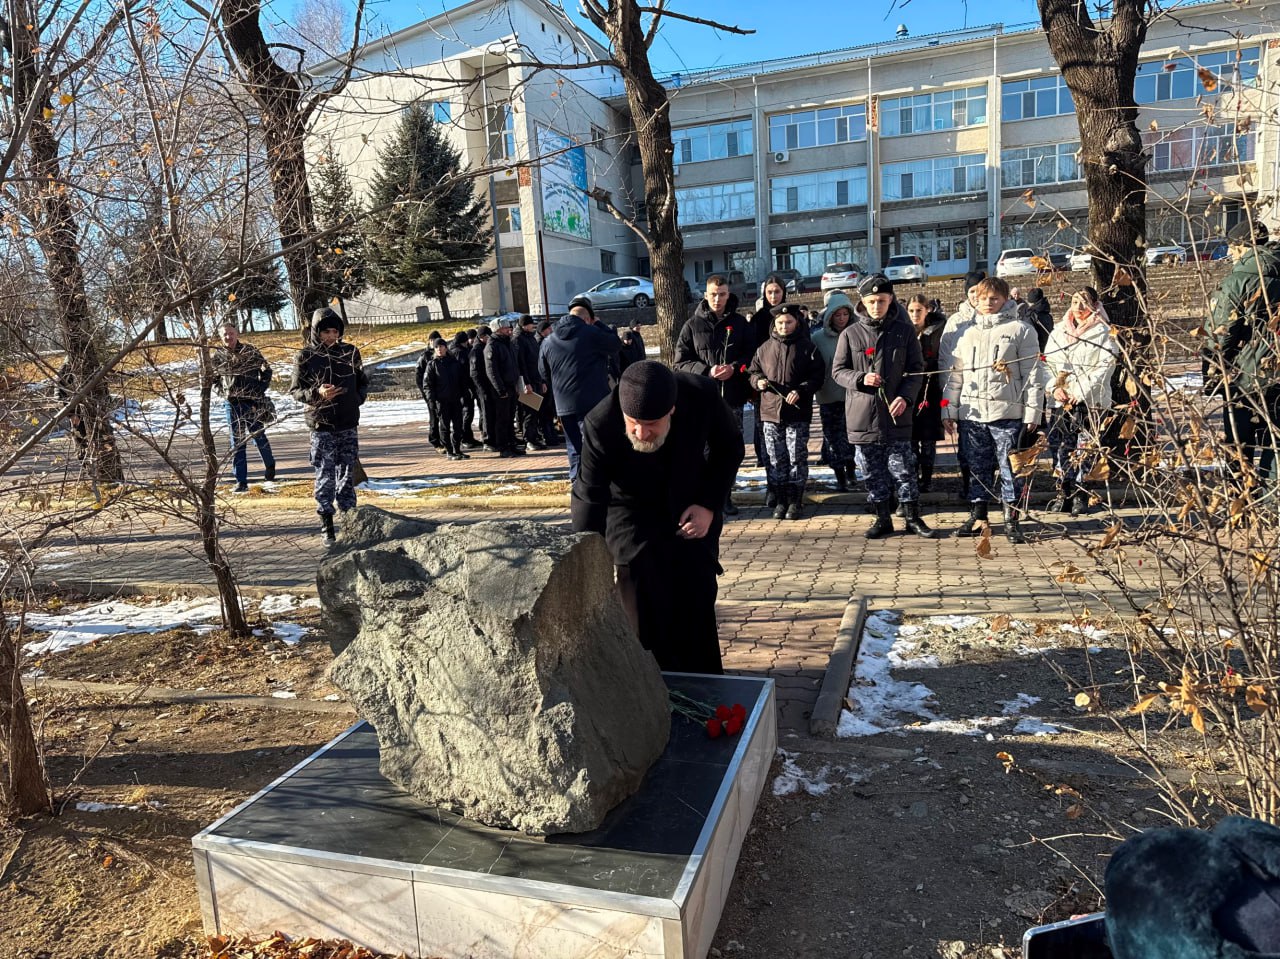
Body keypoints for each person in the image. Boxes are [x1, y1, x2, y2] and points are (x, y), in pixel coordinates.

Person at [571, 361, 745, 674]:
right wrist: (584, 563)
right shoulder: (601, 421)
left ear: (672, 410)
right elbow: (589, 495)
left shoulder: (702, 395)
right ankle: (649, 685)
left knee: (695, 597)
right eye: (633, 423)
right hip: (629, 512)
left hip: (691, 505)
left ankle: (704, 682)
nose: (641, 433)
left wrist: (708, 504)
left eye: (651, 423)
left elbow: (729, 448)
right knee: (641, 599)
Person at [940, 276, 1045, 544]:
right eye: (983, 298)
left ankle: (1013, 520)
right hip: (973, 413)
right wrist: (949, 410)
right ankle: (978, 516)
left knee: (1010, 468)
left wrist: (1033, 413)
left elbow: (1033, 375)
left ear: (1006, 299)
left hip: (1007, 414)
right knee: (977, 467)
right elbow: (955, 375)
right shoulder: (965, 331)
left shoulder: (1021, 330)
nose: (988, 303)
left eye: (995, 298)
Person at [832, 275, 935, 539]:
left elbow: (916, 369)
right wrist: (859, 378)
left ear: (890, 301)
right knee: (872, 472)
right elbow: (838, 372)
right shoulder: (850, 334)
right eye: (871, 301)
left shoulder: (904, 331)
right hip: (863, 415)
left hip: (896, 414)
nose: (876, 305)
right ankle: (882, 518)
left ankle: (912, 517)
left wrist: (906, 397)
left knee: (903, 468)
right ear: (863, 302)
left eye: (882, 300)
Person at [1203, 220, 1280, 486]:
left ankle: (1242, 506)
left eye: (1232, 247)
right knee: (1275, 442)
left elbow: (1221, 331)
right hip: (1276, 368)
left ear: (1243, 246)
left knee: (1239, 442)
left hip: (1245, 374)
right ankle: (1274, 507)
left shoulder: (1239, 279)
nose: (1230, 253)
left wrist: (1211, 371)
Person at [674, 274, 754, 515]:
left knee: (729, 449)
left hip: (732, 397)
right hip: (702, 399)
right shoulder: (692, 325)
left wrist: (735, 368)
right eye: (713, 295)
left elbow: (752, 356)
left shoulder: (740, 323)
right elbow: (680, 362)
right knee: (704, 449)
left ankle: (724, 495)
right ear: (705, 295)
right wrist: (707, 370)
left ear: (728, 295)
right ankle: (705, 497)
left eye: (722, 295)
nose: (717, 299)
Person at [289, 308, 369, 545]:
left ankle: (350, 521)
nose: (331, 336)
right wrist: (317, 393)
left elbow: (362, 382)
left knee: (346, 475)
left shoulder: (350, 352)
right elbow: (295, 390)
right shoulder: (305, 356)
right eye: (326, 332)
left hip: (347, 422)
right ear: (317, 332)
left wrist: (357, 398)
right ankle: (327, 525)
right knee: (325, 475)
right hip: (321, 424)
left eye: (335, 331)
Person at [1043, 287, 1117, 516]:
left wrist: (1081, 391)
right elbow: (1046, 364)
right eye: (1075, 301)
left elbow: (1106, 365)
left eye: (1085, 302)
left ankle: (1080, 493)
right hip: (1062, 401)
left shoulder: (1104, 331)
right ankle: (1063, 492)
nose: (1079, 307)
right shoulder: (1058, 331)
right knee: (1061, 448)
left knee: (1085, 449)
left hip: (1090, 401)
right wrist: (1054, 388)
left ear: (1095, 305)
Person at [748, 303, 825, 519]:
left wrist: (802, 390)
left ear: (796, 323)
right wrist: (758, 381)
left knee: (796, 457)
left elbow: (818, 376)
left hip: (797, 413)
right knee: (775, 458)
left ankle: (795, 500)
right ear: (775, 324)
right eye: (780, 323)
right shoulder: (764, 348)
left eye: (789, 322)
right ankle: (780, 499)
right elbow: (753, 372)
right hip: (770, 413)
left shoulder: (808, 348)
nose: (784, 326)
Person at [539, 298, 622, 480]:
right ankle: (598, 482)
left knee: (574, 447)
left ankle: (577, 484)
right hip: (592, 400)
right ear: (587, 319)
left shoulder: (548, 340)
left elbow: (543, 372)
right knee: (596, 443)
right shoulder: (591, 333)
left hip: (563, 403)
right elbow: (615, 344)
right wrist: (599, 323)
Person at [212, 322, 277, 492]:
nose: (228, 337)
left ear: (237, 333)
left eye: (231, 333)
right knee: (237, 442)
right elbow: (213, 380)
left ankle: (270, 465)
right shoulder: (218, 356)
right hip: (232, 403)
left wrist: (259, 390)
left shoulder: (250, 351)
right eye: (225, 334)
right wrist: (223, 392)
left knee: (258, 436)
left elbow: (266, 372)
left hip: (252, 402)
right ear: (221, 336)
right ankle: (241, 481)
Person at [940, 271, 986, 501]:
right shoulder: (956, 322)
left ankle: (987, 490)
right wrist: (947, 404)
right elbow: (946, 363)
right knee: (967, 447)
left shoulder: (1005, 316)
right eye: (972, 291)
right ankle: (969, 487)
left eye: (981, 290)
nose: (977, 296)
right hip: (966, 394)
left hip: (994, 396)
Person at [811, 291, 857, 493]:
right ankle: (840, 477)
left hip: (854, 396)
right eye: (837, 315)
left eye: (845, 315)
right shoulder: (818, 338)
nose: (841, 319)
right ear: (829, 316)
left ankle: (852, 472)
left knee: (853, 436)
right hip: (829, 396)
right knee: (833, 438)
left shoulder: (857, 333)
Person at [747, 273, 789, 470]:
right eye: (769, 292)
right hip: (764, 383)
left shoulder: (792, 316)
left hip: (789, 383)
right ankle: (763, 460)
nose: (773, 296)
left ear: (784, 292)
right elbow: (751, 354)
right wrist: (754, 382)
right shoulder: (758, 319)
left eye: (777, 292)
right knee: (762, 426)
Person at [905, 294, 946, 494]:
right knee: (911, 437)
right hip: (910, 389)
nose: (915, 315)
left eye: (919, 310)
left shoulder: (937, 330)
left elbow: (942, 356)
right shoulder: (904, 331)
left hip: (931, 388)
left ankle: (927, 478)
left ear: (927, 310)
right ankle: (912, 475)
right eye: (911, 311)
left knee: (928, 438)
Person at [424, 337, 470, 461]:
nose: (439, 349)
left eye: (441, 346)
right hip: (441, 401)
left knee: (458, 426)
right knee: (445, 427)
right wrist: (431, 400)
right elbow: (427, 385)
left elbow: (462, 380)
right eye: (436, 347)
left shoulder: (454, 363)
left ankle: (457, 449)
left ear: (446, 347)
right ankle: (449, 450)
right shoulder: (432, 364)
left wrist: (465, 394)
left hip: (455, 399)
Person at [484, 315, 523, 457]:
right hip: (502, 389)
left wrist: (518, 385)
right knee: (502, 419)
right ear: (499, 330)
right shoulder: (492, 346)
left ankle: (511, 444)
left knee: (510, 417)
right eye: (507, 328)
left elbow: (515, 365)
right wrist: (500, 389)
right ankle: (503, 447)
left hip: (512, 386)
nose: (510, 330)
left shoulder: (509, 343)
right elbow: (492, 371)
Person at [514, 314, 548, 451]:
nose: (532, 326)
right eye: (530, 324)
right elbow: (521, 363)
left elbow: (537, 361)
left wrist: (542, 381)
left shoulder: (530, 338)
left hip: (536, 379)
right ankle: (529, 439)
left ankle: (534, 437)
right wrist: (526, 383)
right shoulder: (518, 340)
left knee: (535, 411)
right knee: (529, 411)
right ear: (524, 325)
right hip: (527, 381)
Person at [450, 331, 480, 449]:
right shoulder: (459, 353)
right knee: (466, 413)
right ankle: (464, 438)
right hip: (463, 388)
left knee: (469, 413)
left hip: (466, 386)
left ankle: (469, 437)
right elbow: (463, 371)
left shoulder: (461, 350)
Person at [469, 325, 496, 451]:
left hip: (491, 387)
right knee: (486, 413)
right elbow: (474, 374)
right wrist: (482, 389)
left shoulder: (486, 347)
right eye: (487, 336)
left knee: (492, 413)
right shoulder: (476, 351)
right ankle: (487, 440)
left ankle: (493, 438)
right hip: (482, 388)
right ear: (482, 337)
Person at [1021, 287, 1055, 353]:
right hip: (1048, 349)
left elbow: (1028, 337)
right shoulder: (1048, 315)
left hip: (1035, 352)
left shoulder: (1031, 315)